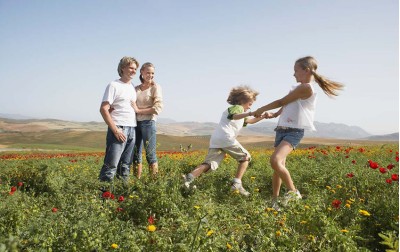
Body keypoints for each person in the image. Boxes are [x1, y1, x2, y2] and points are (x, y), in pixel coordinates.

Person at [253, 56, 344, 210]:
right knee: (278, 167)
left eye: (296, 70)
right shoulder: (297, 88)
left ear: (306, 70)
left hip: (294, 131)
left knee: (275, 161)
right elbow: (286, 106)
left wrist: (261, 109)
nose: (293, 74)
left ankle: (293, 192)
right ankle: (274, 201)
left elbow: (282, 101)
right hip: (281, 129)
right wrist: (274, 115)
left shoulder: (306, 88)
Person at [182, 85, 267, 196]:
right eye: (250, 104)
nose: (250, 108)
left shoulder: (242, 112)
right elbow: (235, 116)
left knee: (210, 164)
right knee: (245, 157)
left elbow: (250, 121)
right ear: (242, 101)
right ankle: (236, 185)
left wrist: (263, 116)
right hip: (226, 138)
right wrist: (250, 113)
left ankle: (189, 178)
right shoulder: (238, 108)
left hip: (217, 139)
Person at [98, 56, 139, 183]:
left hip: (132, 128)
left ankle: (122, 197)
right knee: (111, 166)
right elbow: (104, 109)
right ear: (122, 68)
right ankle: (104, 199)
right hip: (119, 128)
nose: (134, 71)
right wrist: (115, 130)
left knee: (125, 166)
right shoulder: (114, 85)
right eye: (131, 68)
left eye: (135, 69)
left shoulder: (132, 86)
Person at [131, 62, 163, 178]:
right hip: (134, 124)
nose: (151, 75)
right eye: (148, 72)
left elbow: (157, 108)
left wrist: (138, 110)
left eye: (153, 73)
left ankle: (153, 183)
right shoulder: (135, 89)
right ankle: (136, 181)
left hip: (148, 123)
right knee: (135, 155)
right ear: (142, 72)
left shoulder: (155, 87)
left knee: (150, 155)